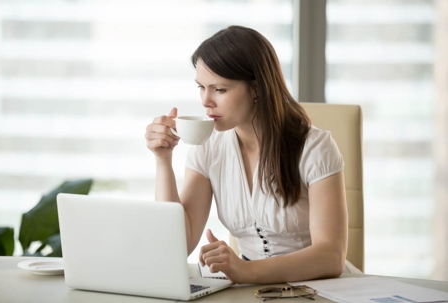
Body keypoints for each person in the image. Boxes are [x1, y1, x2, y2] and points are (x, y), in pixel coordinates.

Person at [145, 25, 350, 284]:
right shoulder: (208, 147)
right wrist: (163, 160)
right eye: (201, 87)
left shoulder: (315, 147)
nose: (205, 101)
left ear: (257, 89)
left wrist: (246, 271)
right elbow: (175, 247)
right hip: (250, 292)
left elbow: (331, 256)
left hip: (318, 290)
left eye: (219, 89)